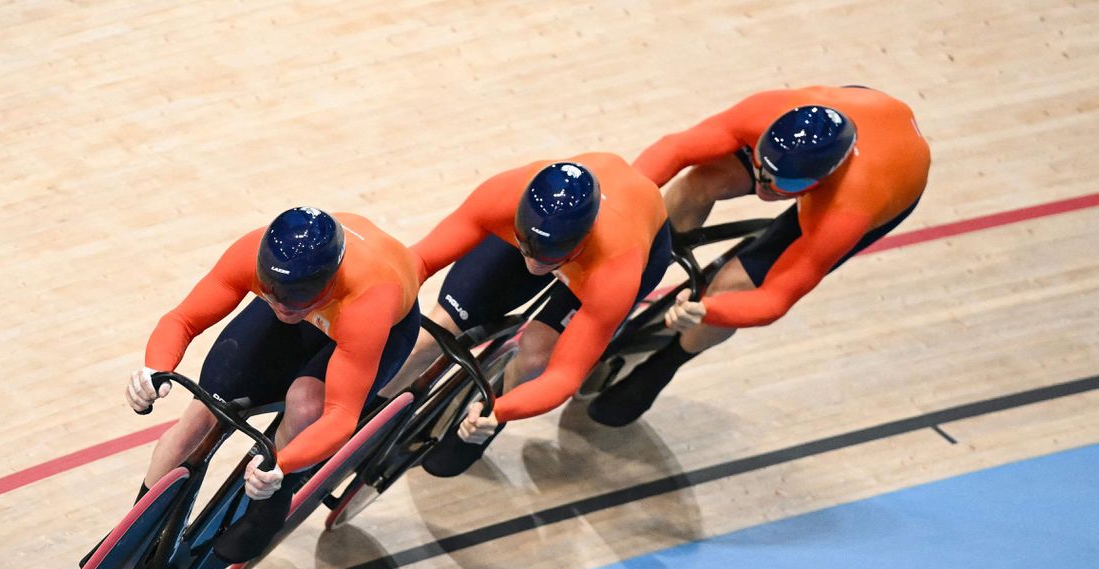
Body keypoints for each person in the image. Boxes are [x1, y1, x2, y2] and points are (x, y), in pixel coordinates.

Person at [586, 85, 931, 426]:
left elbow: (775, 300)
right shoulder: (765, 112)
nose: (766, 187)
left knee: (735, 286)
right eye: (760, 168)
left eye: (785, 185)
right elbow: (673, 150)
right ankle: (636, 277)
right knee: (699, 183)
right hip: (856, 111)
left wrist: (709, 309)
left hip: (887, 181)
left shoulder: (847, 209)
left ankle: (664, 364)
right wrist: (622, 206)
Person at [123, 206, 422, 563]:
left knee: (307, 404)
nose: (283, 306)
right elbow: (182, 320)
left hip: (372, 325)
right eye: (272, 291)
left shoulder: (368, 299)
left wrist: (283, 465)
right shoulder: (260, 264)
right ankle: (130, 539)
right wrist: (154, 371)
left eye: (296, 298)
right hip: (317, 302)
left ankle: (271, 507)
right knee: (203, 413)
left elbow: (341, 415)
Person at [380, 155, 674, 476]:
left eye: (548, 257)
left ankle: (497, 400)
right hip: (552, 238)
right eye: (526, 246)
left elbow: (563, 377)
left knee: (536, 354)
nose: (534, 265)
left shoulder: (615, 269)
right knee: (436, 331)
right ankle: (370, 412)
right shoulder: (502, 195)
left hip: (612, 255)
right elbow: (418, 261)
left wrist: (500, 411)